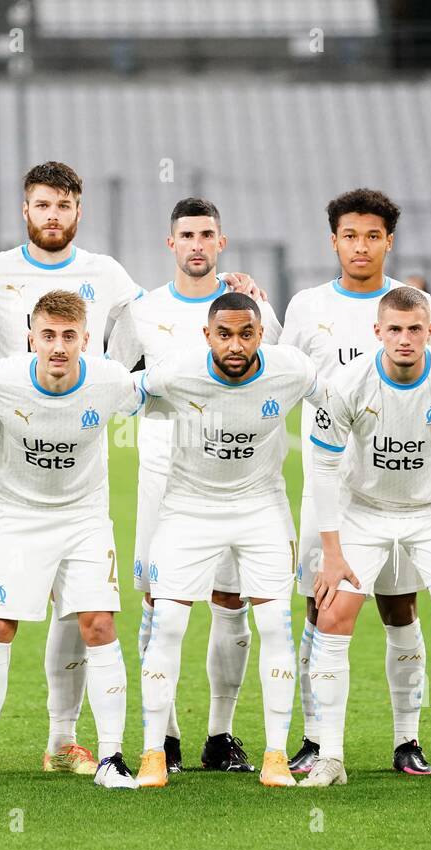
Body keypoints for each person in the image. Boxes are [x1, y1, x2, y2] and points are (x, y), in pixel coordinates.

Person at [0, 161, 262, 776]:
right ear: (26, 209)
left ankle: (64, 739)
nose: (53, 216)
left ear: (77, 211)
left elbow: (165, 328)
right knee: (2, 609)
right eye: (42, 205)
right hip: (10, 462)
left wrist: (227, 286)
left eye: (63, 206)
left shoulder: (109, 276)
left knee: (81, 609)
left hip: (81, 461)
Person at [106, 196, 281, 774]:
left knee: (233, 604)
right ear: (171, 244)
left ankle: (220, 735)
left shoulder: (255, 306)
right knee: (161, 605)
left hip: (243, 481)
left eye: (208, 234)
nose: (198, 244)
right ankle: (168, 738)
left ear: (221, 242)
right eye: (187, 235)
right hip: (164, 479)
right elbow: (115, 379)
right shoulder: (143, 311)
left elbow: (275, 375)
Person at [281, 189, 431, 776]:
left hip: (400, 492)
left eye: (372, 236)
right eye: (350, 235)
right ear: (333, 240)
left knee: (400, 606)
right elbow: (282, 379)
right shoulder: (306, 307)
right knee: (319, 605)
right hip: (330, 488)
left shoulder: (416, 303)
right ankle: (314, 738)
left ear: (389, 241)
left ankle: (408, 740)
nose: (360, 246)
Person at [306, 286, 431, 789]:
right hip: (364, 512)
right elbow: (323, 466)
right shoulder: (348, 382)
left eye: (415, 329)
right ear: (378, 332)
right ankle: (330, 756)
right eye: (395, 329)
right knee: (333, 614)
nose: (405, 338)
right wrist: (331, 550)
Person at [0, 290, 142, 790]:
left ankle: (112, 759)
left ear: (85, 339)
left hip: (84, 518)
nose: (58, 346)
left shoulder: (110, 382)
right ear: (31, 337)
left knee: (99, 625)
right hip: (16, 517)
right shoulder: (2, 380)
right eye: (48, 335)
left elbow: (164, 389)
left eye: (69, 336)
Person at [135, 292, 316, 789]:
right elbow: (121, 395)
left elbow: (341, 399)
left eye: (246, 334)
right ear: (207, 335)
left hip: (261, 507)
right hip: (188, 507)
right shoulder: (177, 373)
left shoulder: (292, 370)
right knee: (168, 620)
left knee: (275, 625)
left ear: (261, 334)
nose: (235, 345)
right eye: (224, 334)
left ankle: (276, 754)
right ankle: (154, 752)